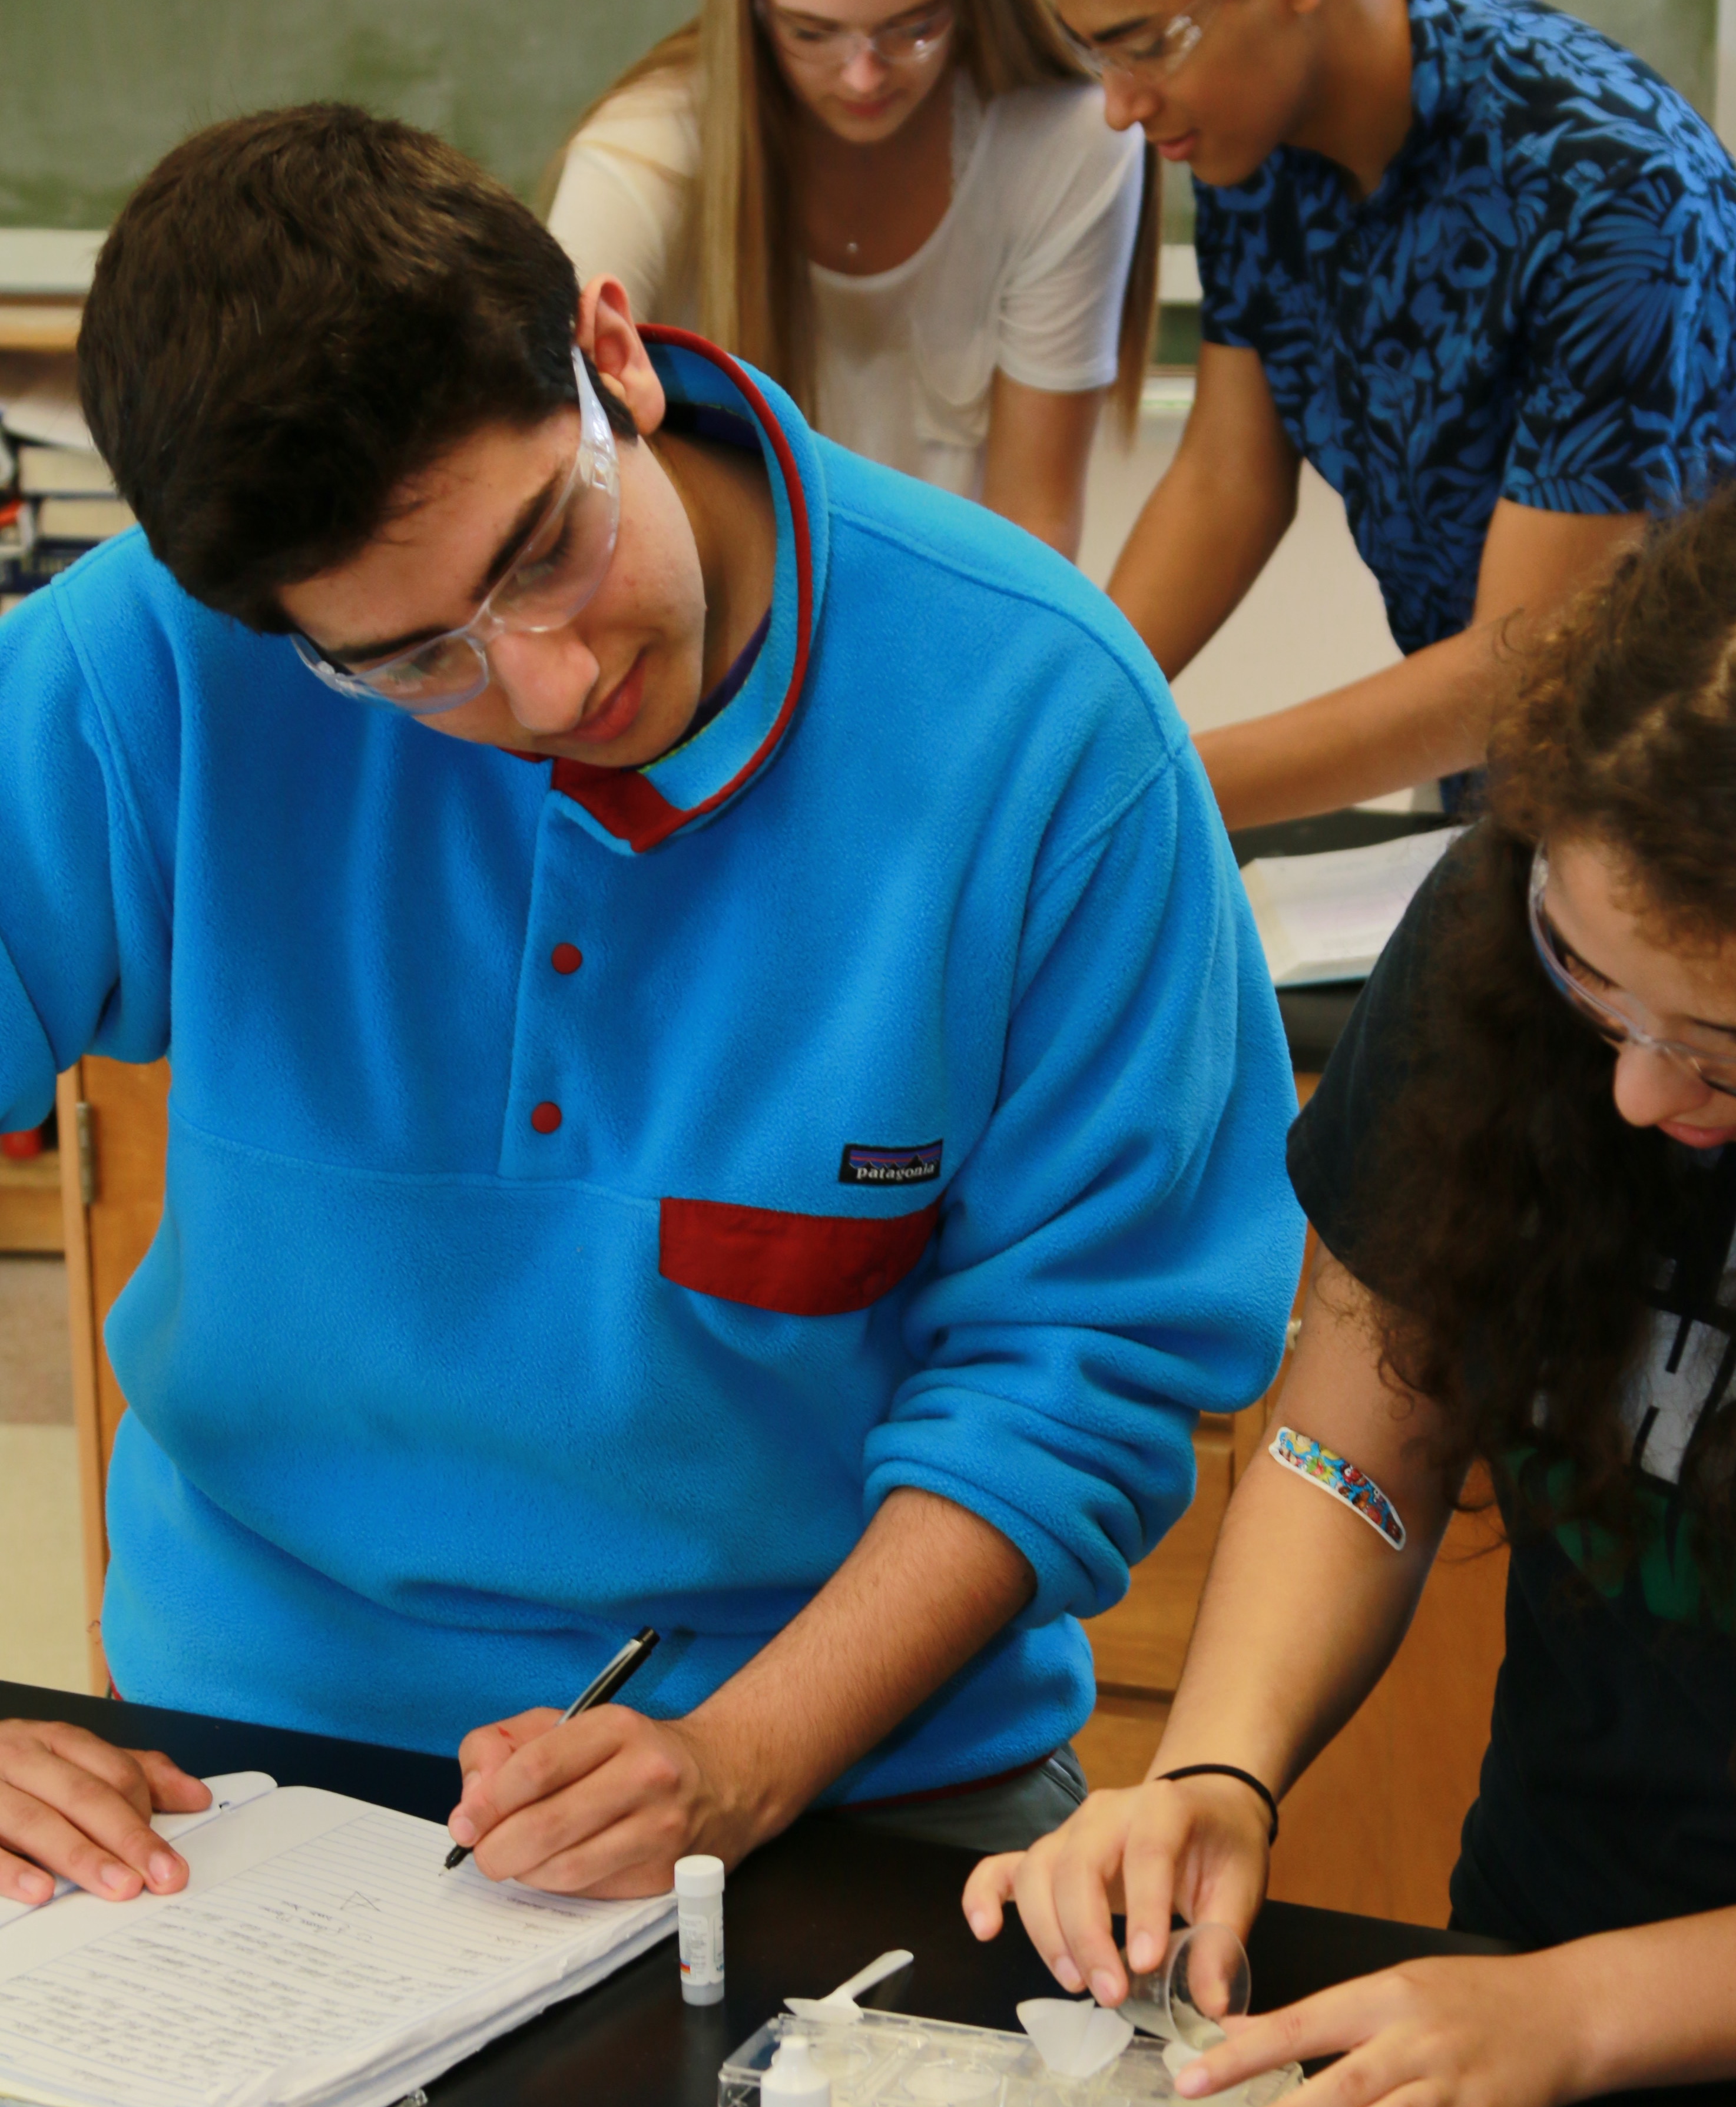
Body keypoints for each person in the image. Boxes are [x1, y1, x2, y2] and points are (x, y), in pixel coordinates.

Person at [0, 104, 1300, 1915]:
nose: (543, 680)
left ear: (612, 354)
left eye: (545, 548)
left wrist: (739, 1763)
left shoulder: (1040, 726)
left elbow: (1079, 1374)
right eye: (408, 661)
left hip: (853, 1780)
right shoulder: (159, 659)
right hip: (245, 1768)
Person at [966, 465, 1736, 2107]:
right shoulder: (1496, 943)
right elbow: (1353, 1437)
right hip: (1527, 1978)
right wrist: (1221, 1765)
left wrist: (1580, 2013)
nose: (1638, 1087)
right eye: (1595, 985)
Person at [998, 0, 1736, 825]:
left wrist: (1131, 790)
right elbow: (1225, 484)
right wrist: (1052, 724)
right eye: (1096, 55)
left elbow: (1525, 658)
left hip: (1708, 804)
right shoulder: (1252, 132)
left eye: (1147, 44)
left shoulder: (1610, 190)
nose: (1119, 103)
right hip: (1497, 792)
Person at [547, 0, 1156, 562]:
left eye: (913, 27)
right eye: (812, 33)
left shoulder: (1069, 139)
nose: (864, 76)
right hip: (717, 636)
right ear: (753, 4)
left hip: (947, 620)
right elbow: (556, 450)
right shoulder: (641, 150)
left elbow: (1033, 530)